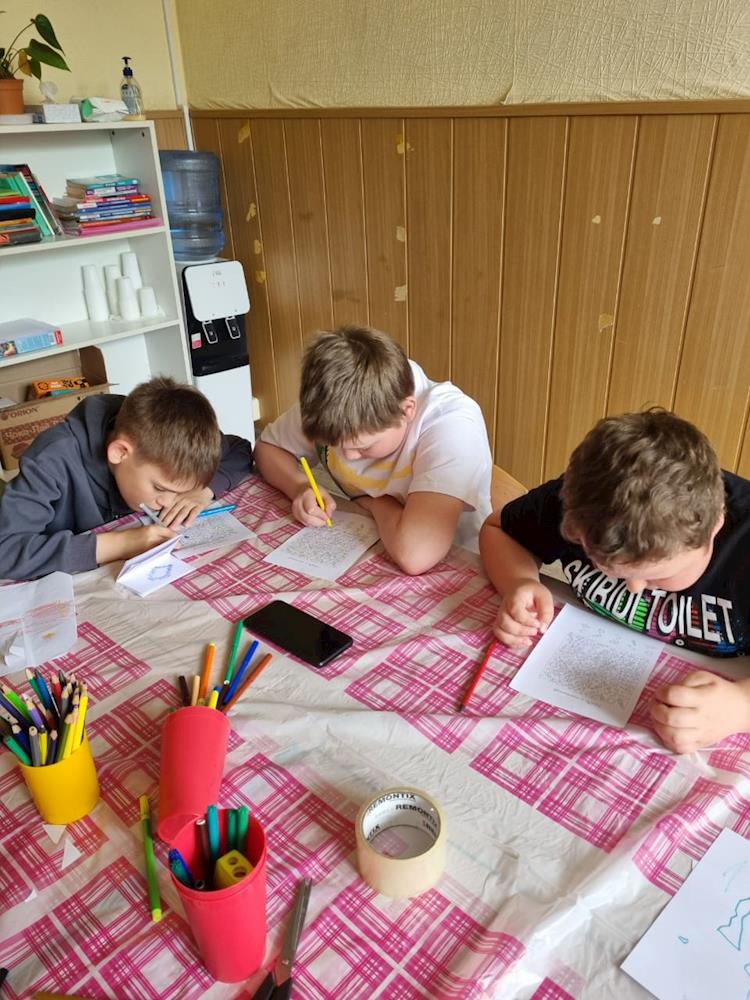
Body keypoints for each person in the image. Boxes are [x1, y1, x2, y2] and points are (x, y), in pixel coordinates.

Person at [479, 409, 750, 753]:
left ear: (715, 527)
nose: (634, 589)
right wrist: (519, 581)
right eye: (606, 568)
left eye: (658, 575)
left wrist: (739, 707)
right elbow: (499, 530)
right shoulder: (588, 502)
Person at [255, 325, 492, 575]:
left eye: (363, 447)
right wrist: (300, 486)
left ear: (406, 411)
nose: (347, 456)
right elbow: (267, 449)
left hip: (458, 565)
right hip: (373, 540)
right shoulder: (336, 399)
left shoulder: (452, 425)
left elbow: (415, 555)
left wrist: (376, 502)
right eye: (333, 445)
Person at [0, 377, 253, 580]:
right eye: (159, 488)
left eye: (178, 491)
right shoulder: (52, 459)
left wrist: (202, 491)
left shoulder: (171, 441)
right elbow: (5, 551)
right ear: (120, 452)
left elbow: (240, 449)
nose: (168, 502)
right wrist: (120, 545)